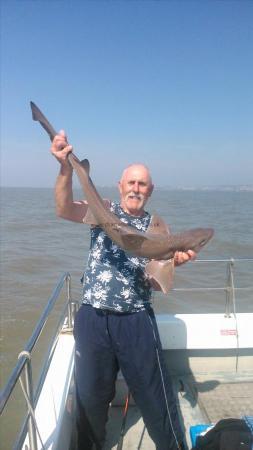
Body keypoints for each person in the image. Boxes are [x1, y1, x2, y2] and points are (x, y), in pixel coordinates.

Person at [51, 130, 196, 450]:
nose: (136, 188)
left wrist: (175, 263)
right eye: (131, 182)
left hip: (136, 321)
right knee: (89, 398)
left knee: (155, 397)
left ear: (151, 190)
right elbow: (63, 209)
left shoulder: (159, 228)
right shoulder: (101, 211)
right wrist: (65, 168)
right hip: (93, 319)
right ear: (120, 186)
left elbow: (156, 280)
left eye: (142, 183)